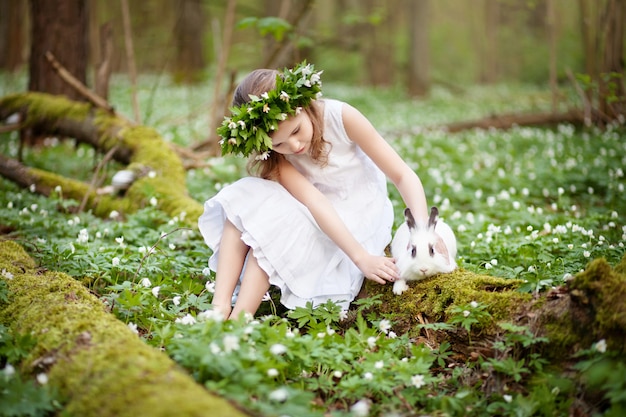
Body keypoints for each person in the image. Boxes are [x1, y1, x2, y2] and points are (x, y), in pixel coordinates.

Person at [198, 61, 429, 319]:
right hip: (313, 210)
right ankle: (221, 308)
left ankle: (240, 317)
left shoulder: (342, 117)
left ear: (304, 105)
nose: (294, 145)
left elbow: (401, 174)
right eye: (280, 143)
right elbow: (314, 201)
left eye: (296, 130)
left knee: (269, 230)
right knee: (244, 204)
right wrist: (360, 257)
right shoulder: (275, 158)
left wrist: (420, 232)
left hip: (355, 212)